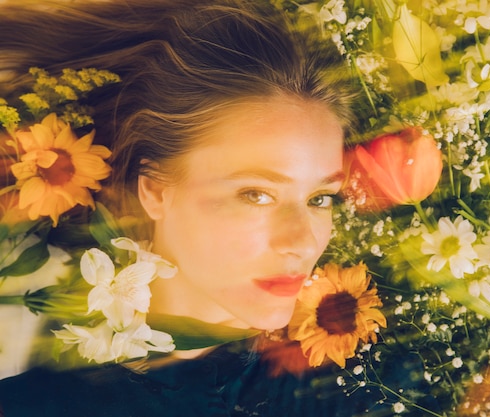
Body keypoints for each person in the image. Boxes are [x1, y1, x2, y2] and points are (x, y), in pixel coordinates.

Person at [0, 0, 390, 415]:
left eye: (320, 199)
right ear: (154, 190)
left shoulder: (366, 387)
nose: (302, 241)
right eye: (255, 194)